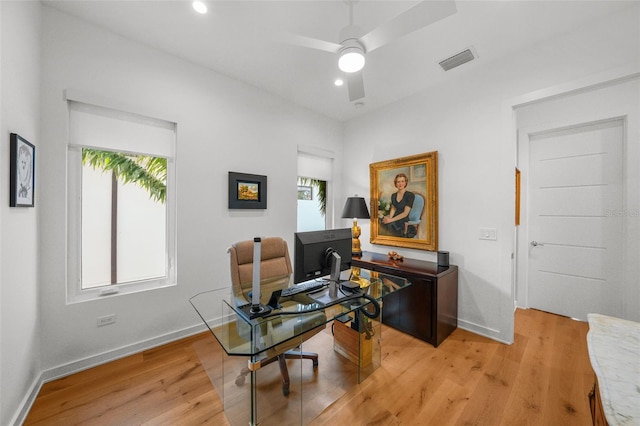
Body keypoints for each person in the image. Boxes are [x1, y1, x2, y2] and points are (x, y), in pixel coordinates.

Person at [381, 173, 414, 237]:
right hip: (394, 217)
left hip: (403, 220)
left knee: (390, 224)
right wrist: (389, 218)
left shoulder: (410, 195)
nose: (400, 184)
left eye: (402, 181)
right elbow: (393, 208)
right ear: (395, 183)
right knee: (383, 222)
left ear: (405, 183)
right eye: (398, 182)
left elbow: (405, 213)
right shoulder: (393, 195)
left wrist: (391, 220)